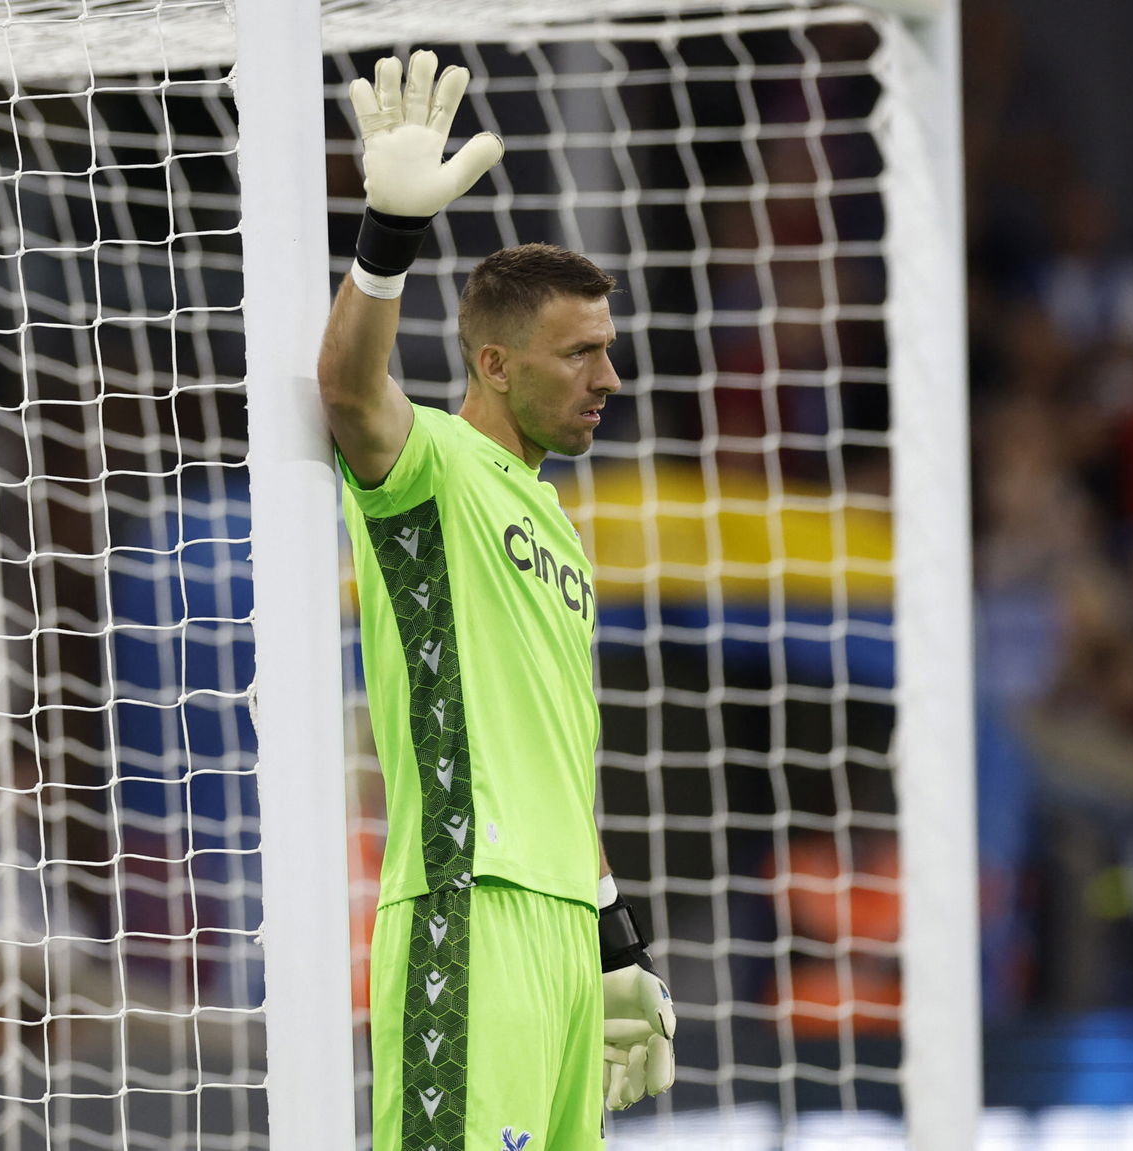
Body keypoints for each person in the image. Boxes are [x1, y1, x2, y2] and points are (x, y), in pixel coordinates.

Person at [319, 50, 677, 1149]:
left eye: (609, 351)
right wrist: (387, 238)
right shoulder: (429, 466)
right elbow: (346, 387)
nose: (608, 378)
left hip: (566, 931)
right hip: (465, 905)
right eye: (580, 354)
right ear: (493, 362)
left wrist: (614, 933)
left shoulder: (556, 523)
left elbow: (557, 752)